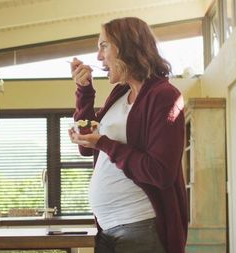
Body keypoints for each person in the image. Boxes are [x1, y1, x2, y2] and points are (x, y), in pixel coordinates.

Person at [69, 17, 187, 253]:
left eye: (104, 46)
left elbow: (160, 172)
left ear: (128, 47)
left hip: (140, 227)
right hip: (106, 228)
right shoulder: (120, 94)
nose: (98, 57)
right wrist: (84, 92)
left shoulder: (164, 96)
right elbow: (86, 147)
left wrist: (104, 143)